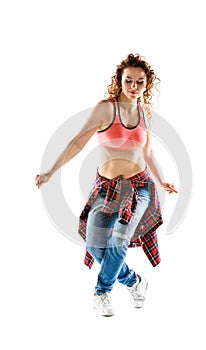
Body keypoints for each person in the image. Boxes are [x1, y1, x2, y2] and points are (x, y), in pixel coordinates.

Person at [35, 53, 178, 317]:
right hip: (106, 188)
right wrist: (50, 171)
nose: (134, 87)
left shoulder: (145, 113)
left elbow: (148, 153)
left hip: (139, 188)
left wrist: (162, 179)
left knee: (118, 241)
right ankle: (134, 281)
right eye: (128, 81)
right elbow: (78, 141)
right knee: (94, 244)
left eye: (140, 82)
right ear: (119, 81)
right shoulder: (105, 109)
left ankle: (102, 292)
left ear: (147, 84)